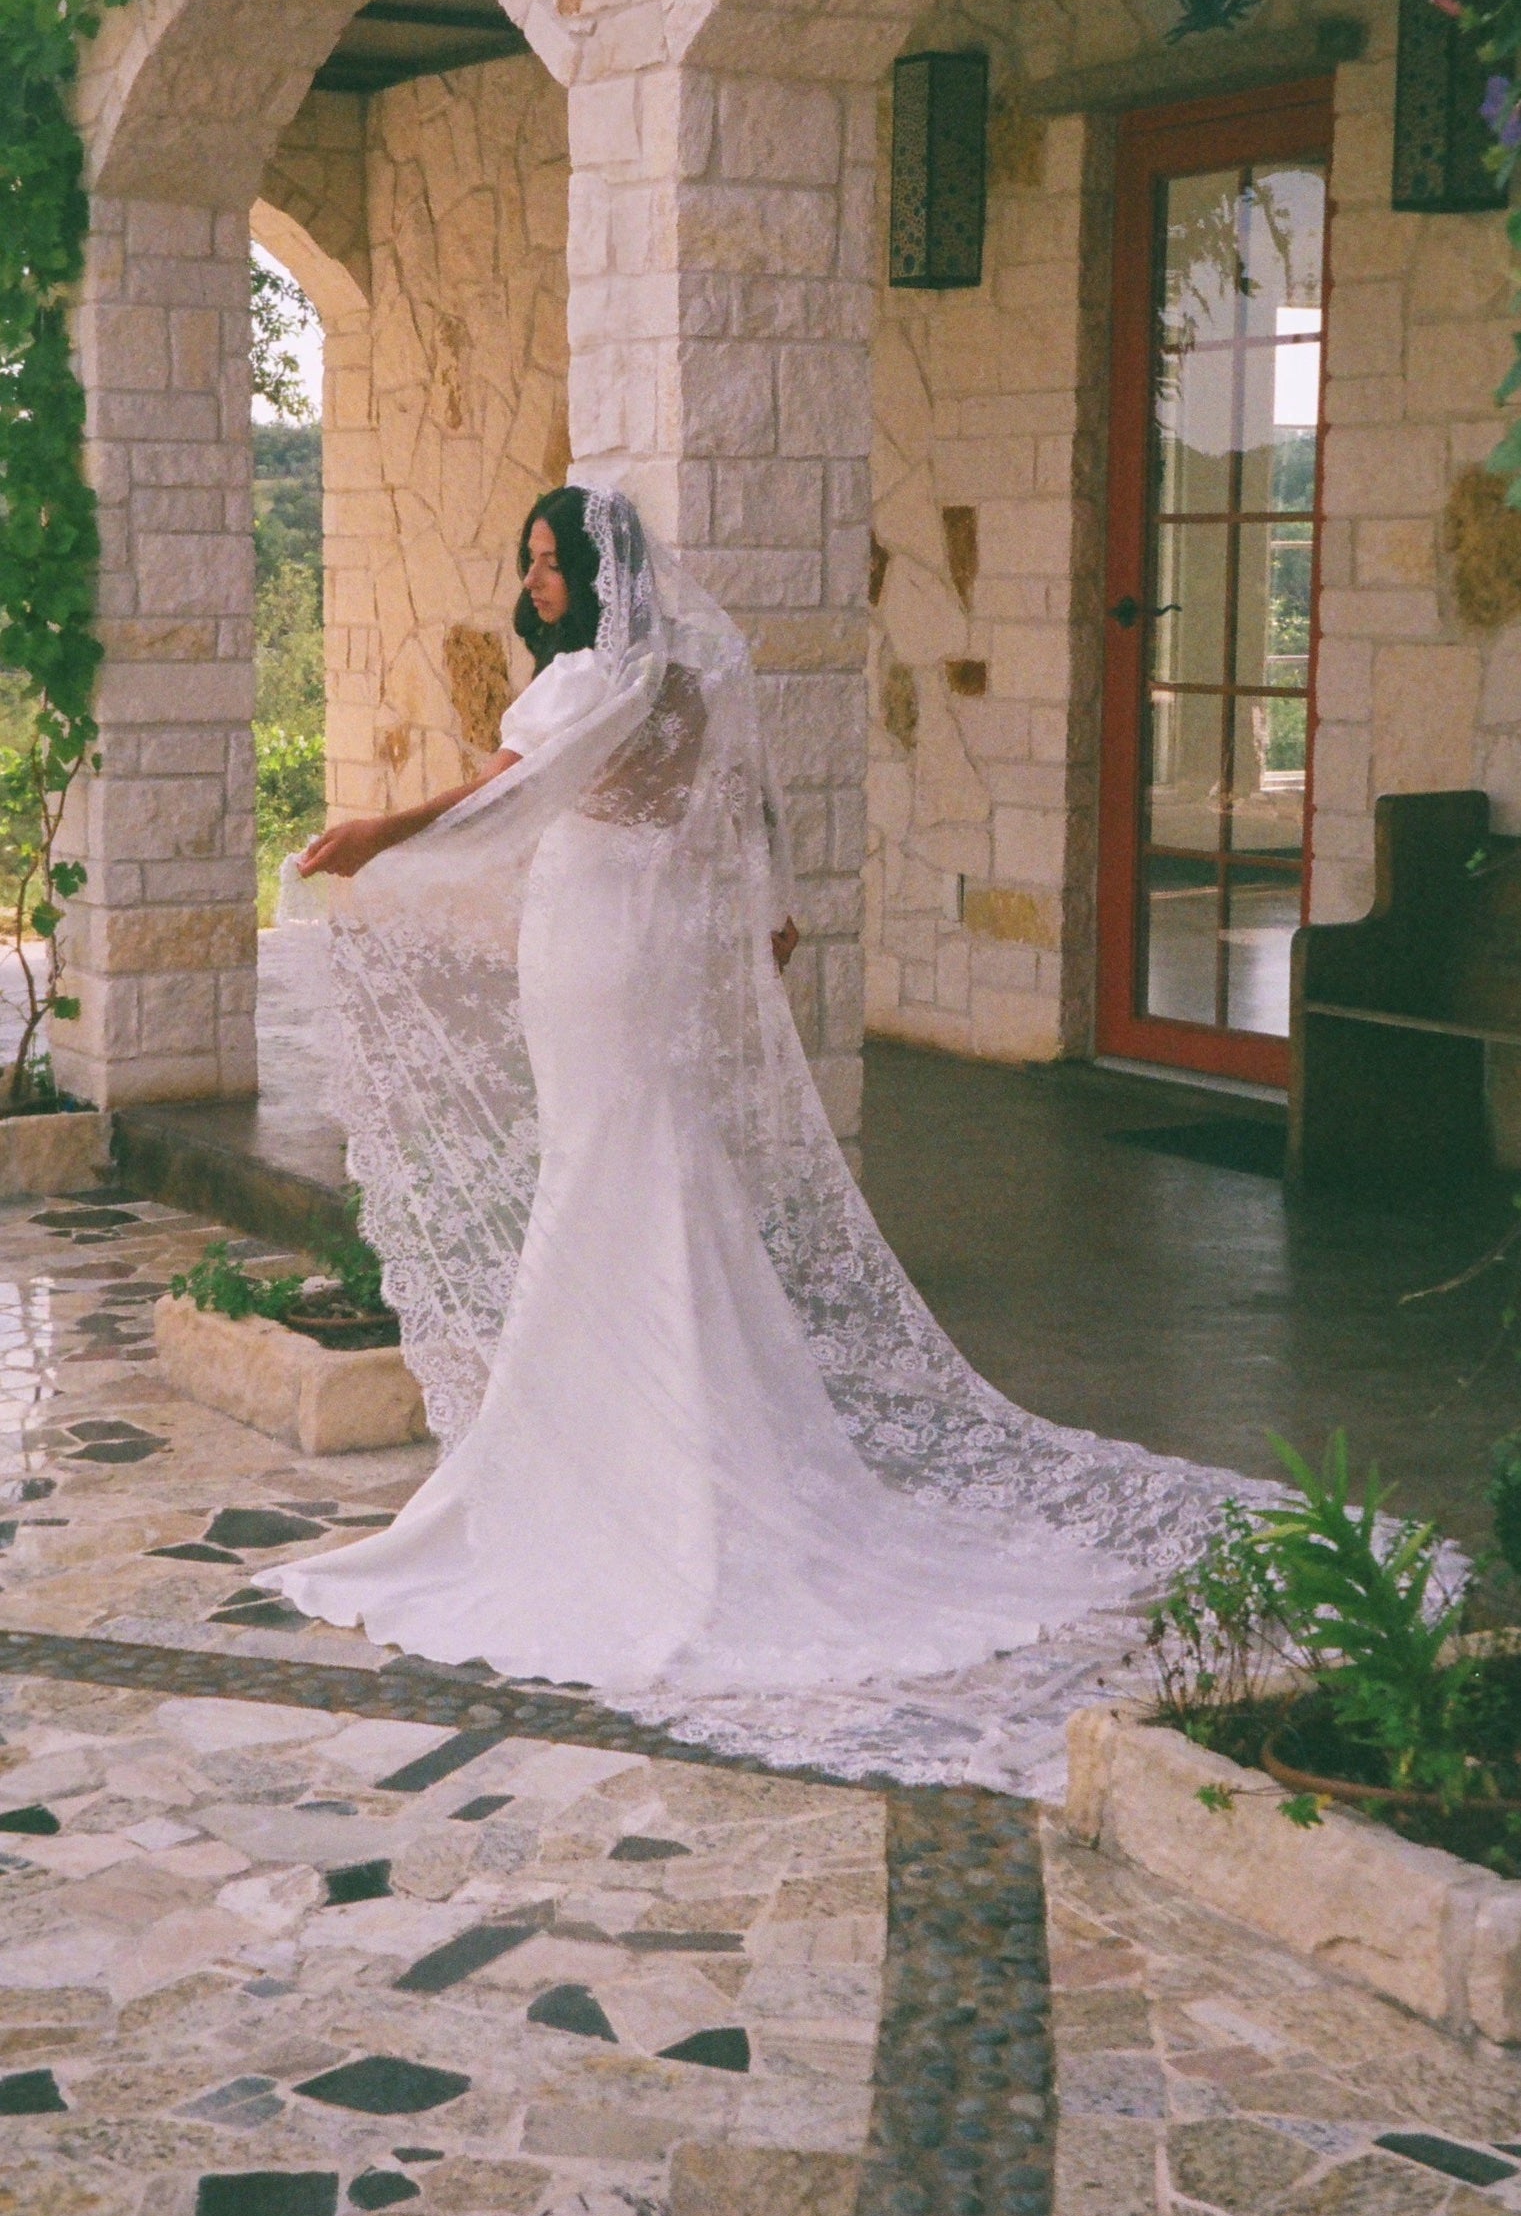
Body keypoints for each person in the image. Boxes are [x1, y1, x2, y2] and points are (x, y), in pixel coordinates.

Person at [256, 483, 1248, 1778]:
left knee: (608, 1159)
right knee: (638, 1154)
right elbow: (743, 809)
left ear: (604, 576)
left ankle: (623, 1474)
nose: (538, 580)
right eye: (531, 561)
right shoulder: (687, 676)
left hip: (600, 937)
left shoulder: (599, 688)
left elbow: (516, 796)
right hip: (636, 933)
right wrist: (767, 911)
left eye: (553, 563)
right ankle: (669, 1441)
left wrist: (379, 833)